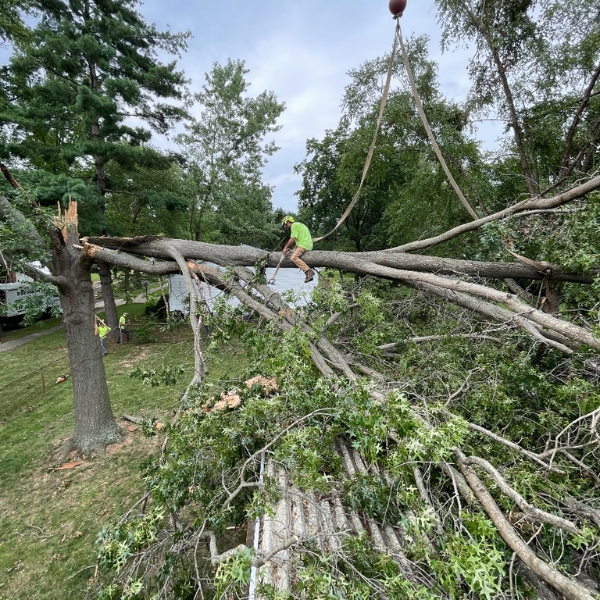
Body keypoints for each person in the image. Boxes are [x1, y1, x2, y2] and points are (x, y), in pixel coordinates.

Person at [281, 216, 315, 283]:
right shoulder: (298, 225)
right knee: (292, 253)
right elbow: (298, 240)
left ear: (287, 222)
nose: (286, 227)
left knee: (294, 257)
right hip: (303, 244)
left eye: (285, 225)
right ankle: (308, 273)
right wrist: (291, 249)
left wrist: (285, 247)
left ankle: (308, 271)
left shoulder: (294, 226)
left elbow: (292, 239)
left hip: (304, 245)